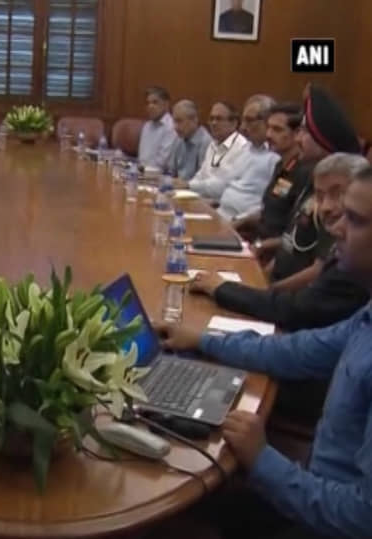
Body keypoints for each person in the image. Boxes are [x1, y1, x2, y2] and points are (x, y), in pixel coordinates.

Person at [155, 166, 372, 539]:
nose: (336, 227)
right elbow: (297, 351)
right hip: (313, 487)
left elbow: (361, 518)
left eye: (354, 219)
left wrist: (262, 459)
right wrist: (203, 340)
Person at [192, 153, 370, 331]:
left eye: (338, 194)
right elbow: (288, 243)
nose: (325, 207)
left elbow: (297, 310)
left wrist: (224, 289)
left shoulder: (354, 267)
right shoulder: (343, 253)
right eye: (320, 196)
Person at [265, 84, 361, 287]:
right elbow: (289, 241)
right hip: (277, 283)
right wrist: (261, 279)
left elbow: (319, 271)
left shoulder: (342, 195)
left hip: (297, 296)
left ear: (324, 138)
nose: (298, 138)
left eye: (305, 132)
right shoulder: (310, 176)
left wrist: (267, 292)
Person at [232, 102, 311, 243]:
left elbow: (294, 232)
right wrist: (238, 222)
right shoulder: (281, 165)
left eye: (277, 130)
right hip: (257, 237)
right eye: (268, 128)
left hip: (273, 248)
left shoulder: (303, 172)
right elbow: (270, 213)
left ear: (296, 134)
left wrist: (261, 246)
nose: (268, 135)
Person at [218, 95, 280, 220]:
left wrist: (238, 221)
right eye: (243, 120)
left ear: (267, 121)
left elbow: (267, 206)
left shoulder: (275, 158)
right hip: (222, 212)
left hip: (241, 222)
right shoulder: (245, 148)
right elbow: (226, 183)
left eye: (249, 120)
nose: (242, 127)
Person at [182, 101, 249, 201]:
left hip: (223, 204)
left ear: (234, 123)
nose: (213, 123)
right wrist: (184, 188)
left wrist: (188, 185)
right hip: (205, 199)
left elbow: (224, 185)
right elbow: (201, 175)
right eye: (211, 119)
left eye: (219, 119)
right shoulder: (214, 144)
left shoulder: (242, 147)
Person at [163, 99, 212, 181]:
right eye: (174, 121)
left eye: (179, 121)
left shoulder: (206, 143)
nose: (175, 127)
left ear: (194, 120)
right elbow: (170, 171)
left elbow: (203, 180)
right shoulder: (178, 139)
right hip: (177, 186)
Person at [137, 86, 177, 170]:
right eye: (148, 103)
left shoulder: (171, 127)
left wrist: (142, 170)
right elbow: (142, 158)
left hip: (159, 174)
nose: (150, 106)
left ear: (166, 105)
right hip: (142, 171)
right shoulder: (147, 125)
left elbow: (162, 163)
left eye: (155, 102)